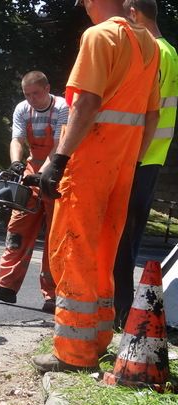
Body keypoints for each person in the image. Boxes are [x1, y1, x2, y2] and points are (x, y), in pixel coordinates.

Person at [31, 0, 160, 373]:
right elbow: (151, 115)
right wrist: (133, 163)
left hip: (90, 163)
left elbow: (86, 103)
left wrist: (58, 161)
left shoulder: (99, 36)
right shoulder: (148, 45)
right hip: (121, 166)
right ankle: (98, 339)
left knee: (74, 250)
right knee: (104, 250)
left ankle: (72, 353)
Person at [0, 71, 68, 314]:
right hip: (31, 171)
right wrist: (16, 163)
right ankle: (5, 286)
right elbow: (17, 139)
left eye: (36, 93)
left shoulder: (61, 108)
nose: (31, 99)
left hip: (57, 174)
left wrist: (45, 174)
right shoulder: (22, 109)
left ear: (47, 88)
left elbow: (59, 145)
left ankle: (53, 295)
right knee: (17, 229)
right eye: (27, 94)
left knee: (54, 239)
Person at [113, 0, 178, 330]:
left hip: (138, 154)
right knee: (131, 237)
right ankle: (124, 313)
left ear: (135, 14)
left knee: (120, 241)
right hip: (153, 156)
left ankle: (119, 313)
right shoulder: (171, 52)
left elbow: (144, 106)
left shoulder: (151, 51)